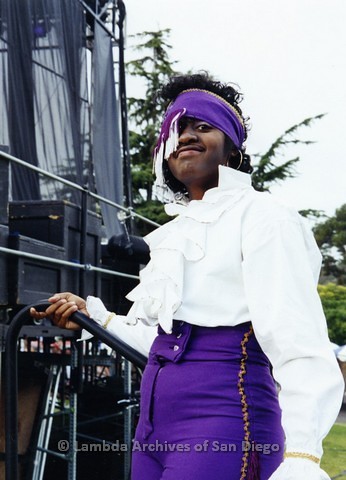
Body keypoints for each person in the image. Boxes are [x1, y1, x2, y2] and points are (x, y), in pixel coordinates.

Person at [31, 72, 344, 480]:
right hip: (154, 430)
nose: (186, 137)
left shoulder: (265, 218)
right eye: (175, 130)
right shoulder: (172, 236)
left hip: (225, 419)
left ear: (232, 149)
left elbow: (298, 342)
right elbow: (166, 342)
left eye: (202, 126)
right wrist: (95, 317)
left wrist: (302, 456)